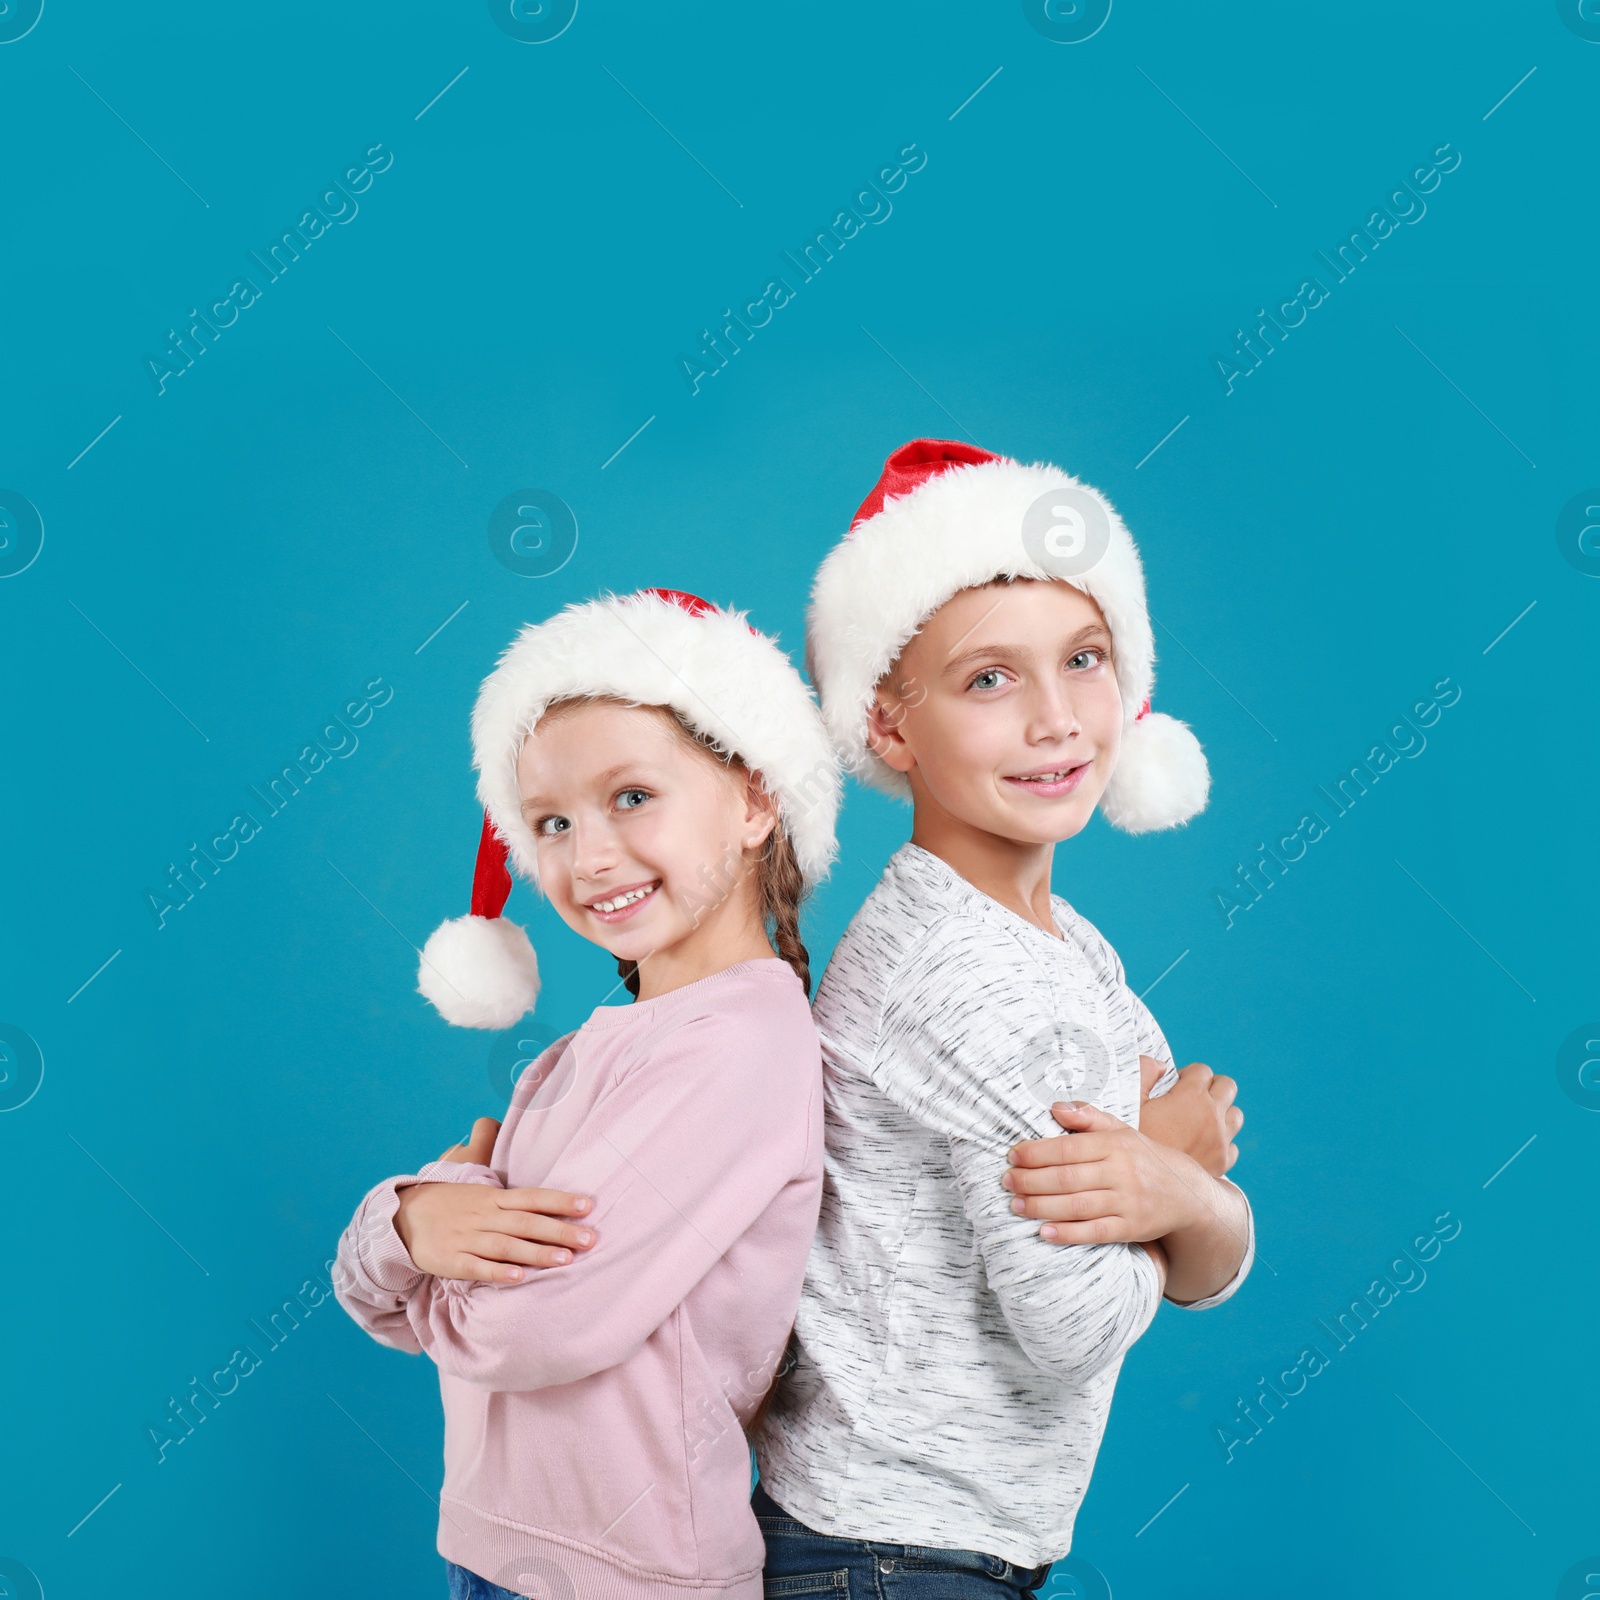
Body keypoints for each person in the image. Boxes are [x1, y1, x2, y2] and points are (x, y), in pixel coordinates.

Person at [750, 440, 1255, 1597]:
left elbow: (1202, 1265)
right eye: (988, 679)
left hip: (921, 1542)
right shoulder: (968, 981)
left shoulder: (1063, 945)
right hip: (891, 1550)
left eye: (1081, 659)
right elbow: (1073, 1319)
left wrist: (1187, 1196)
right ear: (888, 725)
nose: (1055, 718)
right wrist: (1176, 1180)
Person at [331, 587, 840, 1600]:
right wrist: (418, 1217)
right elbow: (376, 1298)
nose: (589, 854)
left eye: (633, 797)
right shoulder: (569, 1060)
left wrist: (416, 1222)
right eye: (550, 821)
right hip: (493, 1548)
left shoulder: (739, 1045)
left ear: (753, 799)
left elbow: (523, 1331)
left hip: (629, 1576)